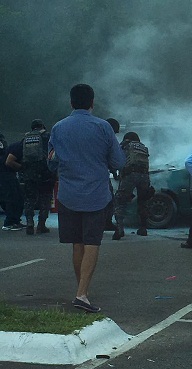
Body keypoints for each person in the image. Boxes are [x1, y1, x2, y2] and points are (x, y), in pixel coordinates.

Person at [48, 83, 126, 313]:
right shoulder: (103, 128)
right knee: (92, 243)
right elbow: (119, 162)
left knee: (77, 243)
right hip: (96, 195)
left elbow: (51, 161)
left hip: (68, 194)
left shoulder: (58, 128)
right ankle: (82, 293)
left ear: (71, 102)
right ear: (92, 103)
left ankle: (81, 290)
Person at [5, 119, 56, 235]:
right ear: (43, 126)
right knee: (45, 198)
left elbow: (9, 161)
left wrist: (22, 168)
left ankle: (29, 223)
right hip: (46, 174)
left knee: (29, 199)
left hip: (29, 175)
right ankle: (41, 225)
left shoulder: (25, 140)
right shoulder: (48, 137)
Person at [112, 131, 154, 240]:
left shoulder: (125, 145)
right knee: (143, 201)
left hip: (130, 175)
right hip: (144, 175)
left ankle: (119, 229)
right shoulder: (144, 147)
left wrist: (116, 174)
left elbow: (117, 159)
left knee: (120, 201)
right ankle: (143, 228)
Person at [0, 134, 24, 230]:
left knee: (15, 197)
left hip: (6, 173)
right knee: (12, 197)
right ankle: (10, 222)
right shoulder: (3, 142)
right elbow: (7, 160)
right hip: (5, 173)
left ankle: (14, 220)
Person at [104, 117, 120, 231]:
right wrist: (115, 173)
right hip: (100, 175)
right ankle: (107, 222)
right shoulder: (107, 138)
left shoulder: (96, 135)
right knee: (109, 199)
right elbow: (112, 158)